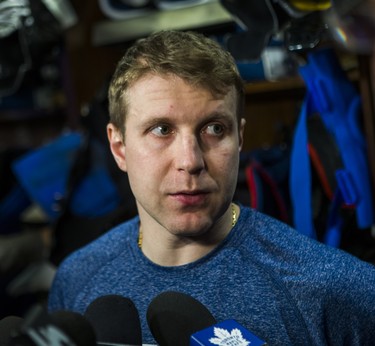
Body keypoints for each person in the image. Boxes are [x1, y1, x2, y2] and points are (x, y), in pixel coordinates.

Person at [48, 30, 375, 345]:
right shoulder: (76, 279)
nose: (190, 161)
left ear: (239, 139)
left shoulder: (335, 289)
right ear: (119, 148)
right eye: (162, 129)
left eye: (215, 129)